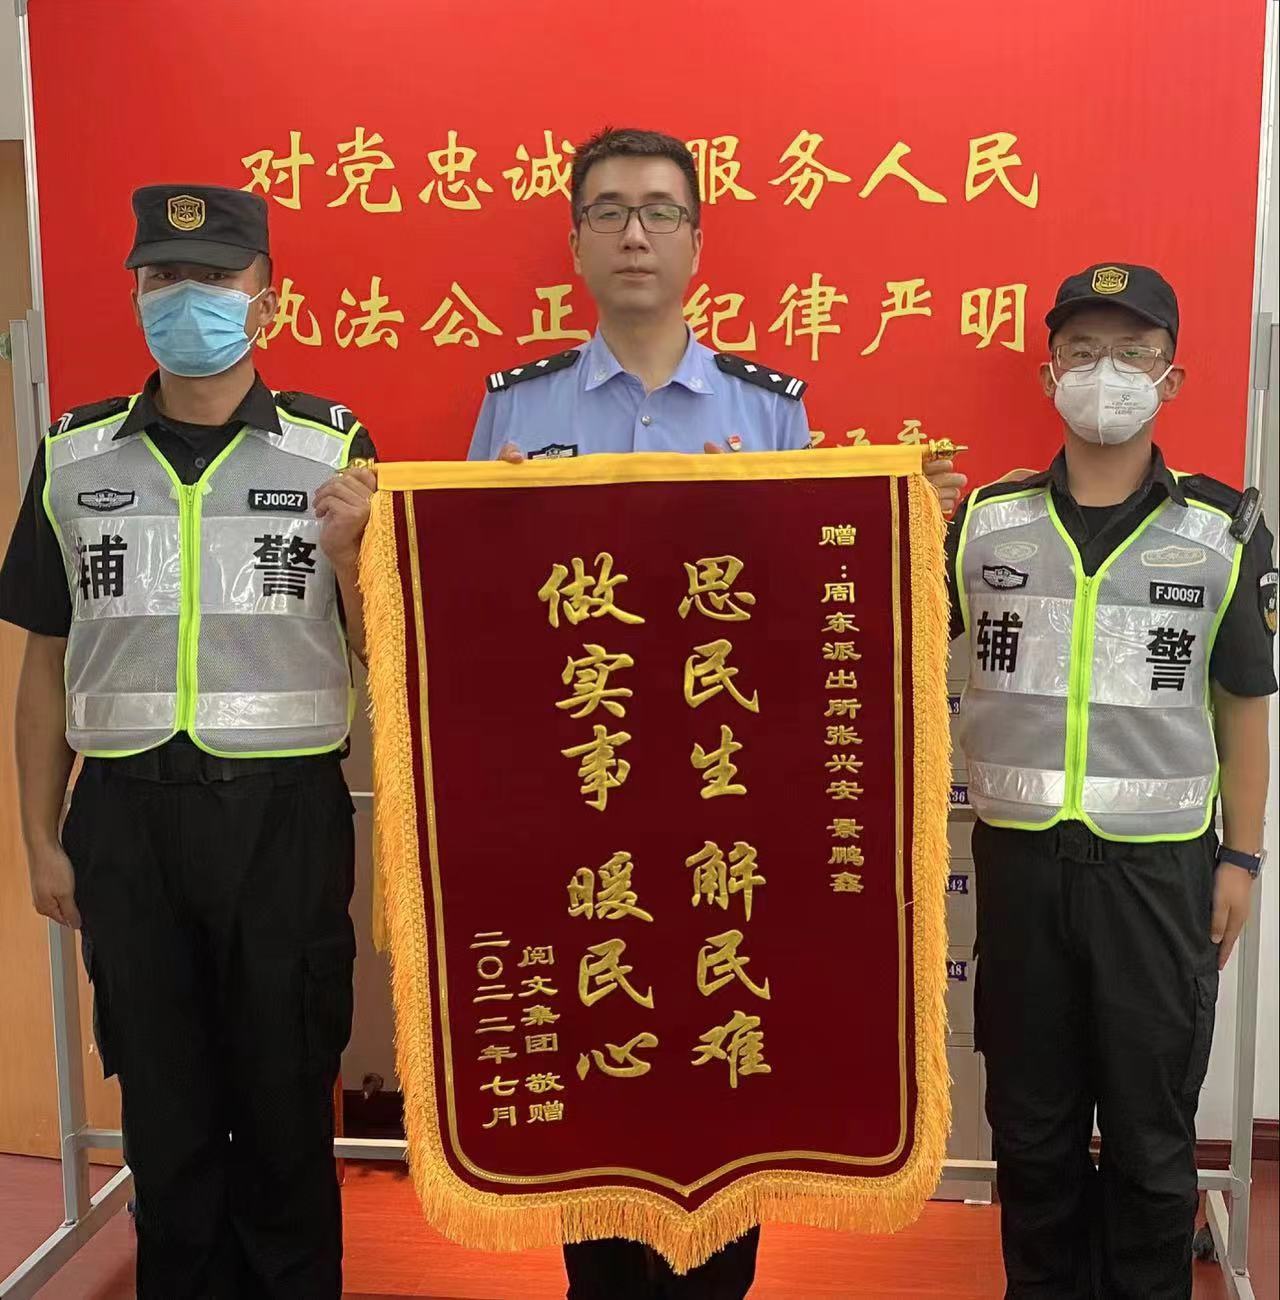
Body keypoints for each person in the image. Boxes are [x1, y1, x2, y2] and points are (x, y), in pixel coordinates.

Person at [469, 125, 954, 1300]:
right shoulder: (512, 410)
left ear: (696, 240)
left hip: (720, 821)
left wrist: (904, 527)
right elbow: (471, 617)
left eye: (659, 211)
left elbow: (806, 622)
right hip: (581, 817)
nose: (634, 233)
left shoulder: (767, 409)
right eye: (608, 210)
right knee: (596, 1092)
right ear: (574, 241)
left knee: (722, 1070)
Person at [0, 184, 377, 1299]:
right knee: (163, 1109)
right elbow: (44, 665)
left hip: (283, 822)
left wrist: (354, 556)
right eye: (164, 277)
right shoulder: (73, 456)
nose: (187, 298)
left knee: (284, 1094)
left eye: (215, 276)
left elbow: (383, 648)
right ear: (134, 293)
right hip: (125, 823)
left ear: (268, 297)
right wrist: (40, 839)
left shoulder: (330, 447)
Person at [943, 263, 1275, 1299]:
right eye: (1083, 351)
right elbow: (887, 639)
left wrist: (1241, 856)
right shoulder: (980, 521)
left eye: (1132, 353)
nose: (1106, 373)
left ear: (1171, 379)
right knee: (1030, 1133)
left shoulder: (1222, 530)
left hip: (1161, 876)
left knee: (1148, 1136)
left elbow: (1243, 705)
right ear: (1049, 374)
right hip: (1021, 869)